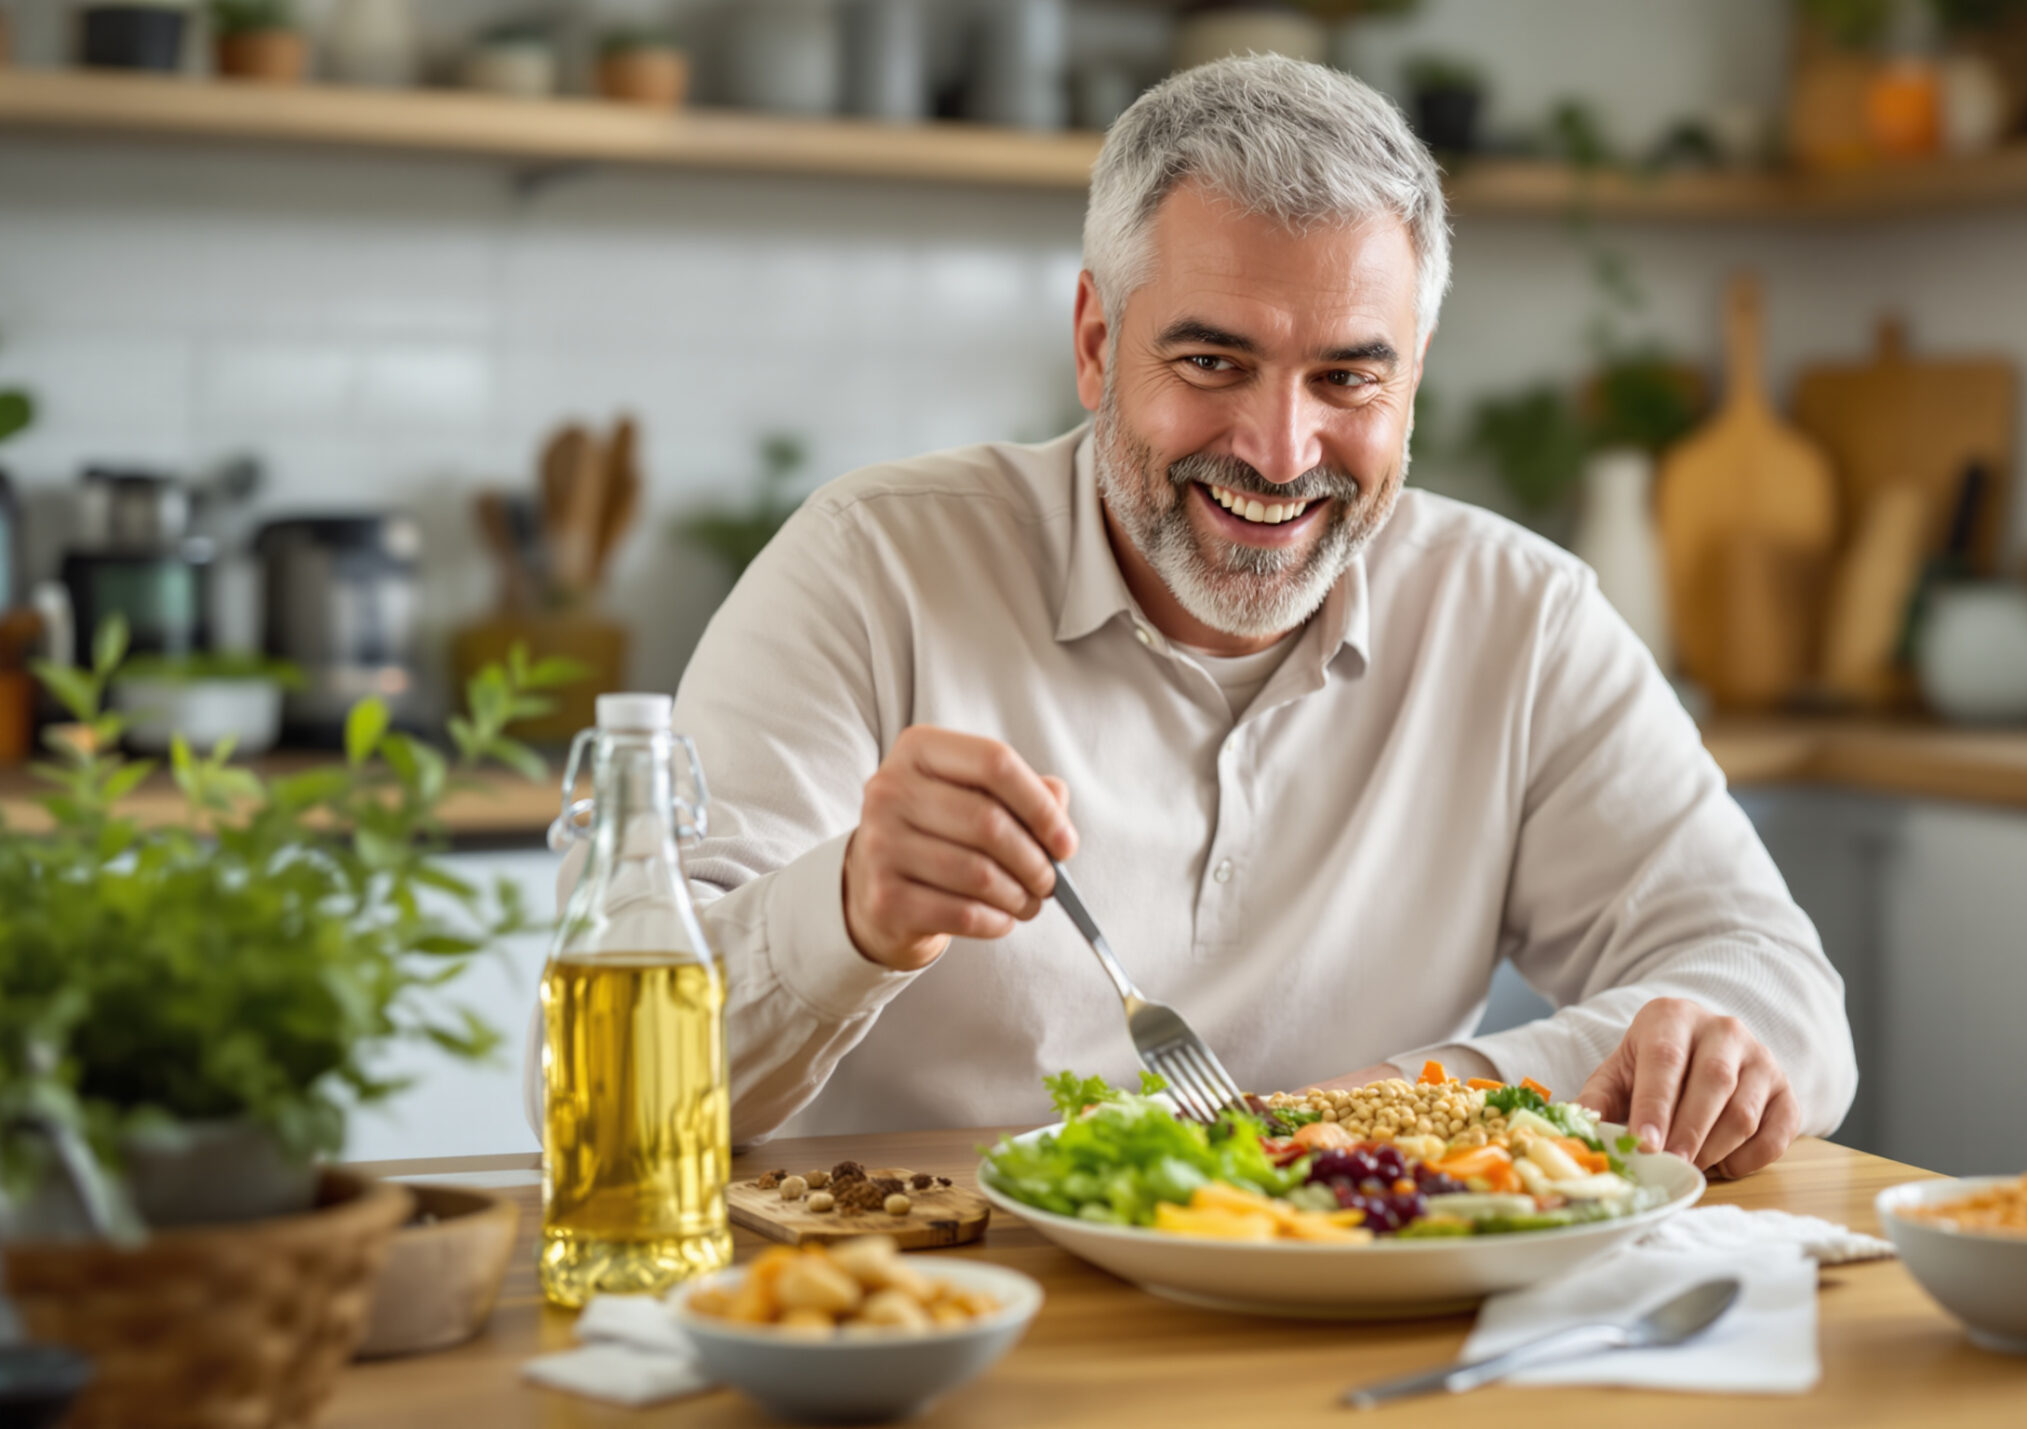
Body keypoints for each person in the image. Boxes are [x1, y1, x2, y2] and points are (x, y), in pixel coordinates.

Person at [612, 54, 1854, 1179]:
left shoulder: (1517, 616)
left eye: (1347, 377)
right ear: (1096, 344)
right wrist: (848, 914)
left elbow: (1779, 994)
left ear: (1413, 379)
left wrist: (1423, 1100)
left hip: (1362, 1316)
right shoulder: (869, 567)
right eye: (1212, 363)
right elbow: (614, 1091)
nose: (1278, 450)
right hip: (930, 1303)